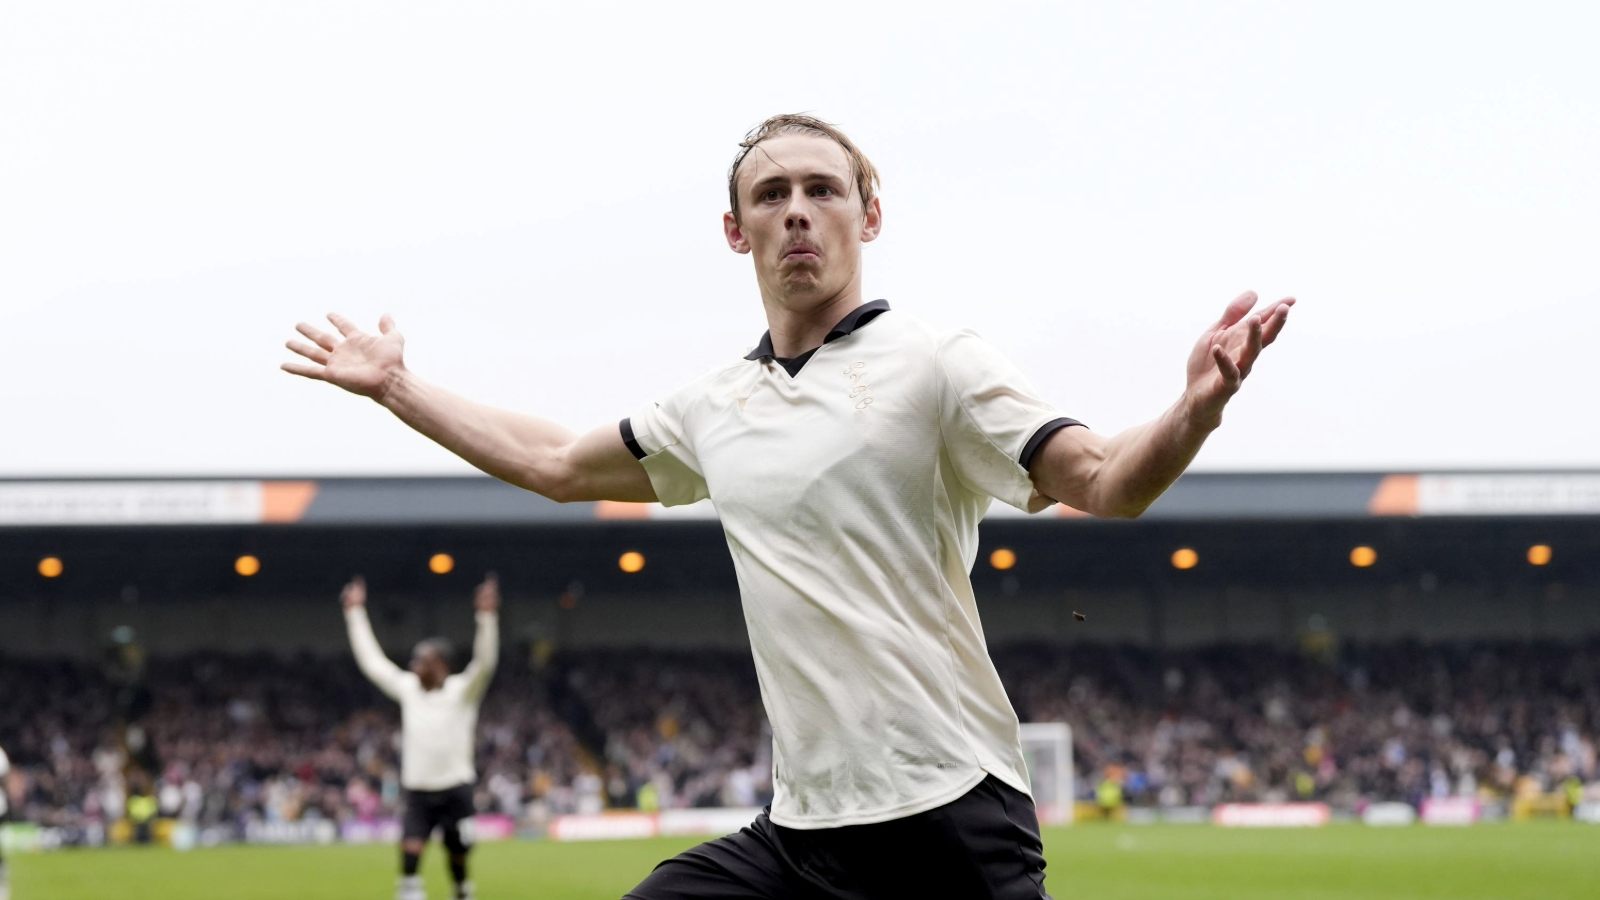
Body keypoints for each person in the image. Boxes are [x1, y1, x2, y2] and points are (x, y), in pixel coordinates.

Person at [285, 113, 1293, 899]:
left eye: (823, 189)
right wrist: (398, 389)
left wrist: (1194, 409)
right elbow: (554, 460)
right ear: (737, 230)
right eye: (772, 194)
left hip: (943, 815)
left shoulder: (938, 363)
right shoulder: (713, 405)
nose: (797, 209)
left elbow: (1104, 481)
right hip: (801, 835)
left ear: (870, 215)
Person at [343, 575, 500, 900]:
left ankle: (461, 888)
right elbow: (372, 662)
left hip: (456, 787)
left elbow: (484, 663)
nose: (413, 665)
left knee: (458, 853)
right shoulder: (408, 689)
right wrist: (355, 613)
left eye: (421, 660)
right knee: (411, 851)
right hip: (418, 789)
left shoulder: (462, 691)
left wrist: (486, 617)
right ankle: (410, 890)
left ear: (440, 664)